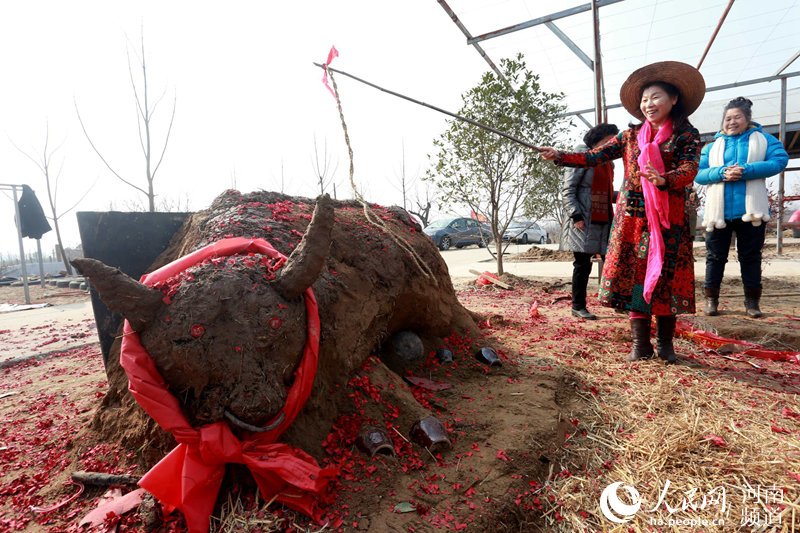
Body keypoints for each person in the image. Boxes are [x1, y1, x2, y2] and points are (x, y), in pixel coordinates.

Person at [540, 61, 705, 363]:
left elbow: (690, 168)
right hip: (632, 221)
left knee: (667, 280)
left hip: (669, 221)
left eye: (655, 97)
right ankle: (640, 345)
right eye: (644, 99)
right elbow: (594, 156)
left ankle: (666, 346)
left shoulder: (686, 136)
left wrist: (665, 179)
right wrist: (560, 155)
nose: (648, 104)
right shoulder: (630, 136)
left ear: (674, 99)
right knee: (635, 279)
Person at [695, 97, 789, 318]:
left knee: (750, 256)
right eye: (728, 118)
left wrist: (745, 170)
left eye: (737, 117)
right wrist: (722, 172)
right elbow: (698, 173)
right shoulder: (711, 146)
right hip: (718, 213)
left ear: (748, 119)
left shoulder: (765, 140)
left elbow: (779, 161)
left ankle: (752, 303)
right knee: (715, 257)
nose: (732, 122)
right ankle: (711, 300)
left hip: (751, 212)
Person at [559, 123, 619, 320]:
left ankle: (616, 302)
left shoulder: (608, 162)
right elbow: (568, 189)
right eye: (609, 139)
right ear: (598, 139)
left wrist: (625, 196)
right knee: (583, 263)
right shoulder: (581, 155)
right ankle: (578, 306)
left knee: (613, 261)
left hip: (603, 217)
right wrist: (575, 215)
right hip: (582, 218)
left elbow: (609, 192)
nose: (612, 143)